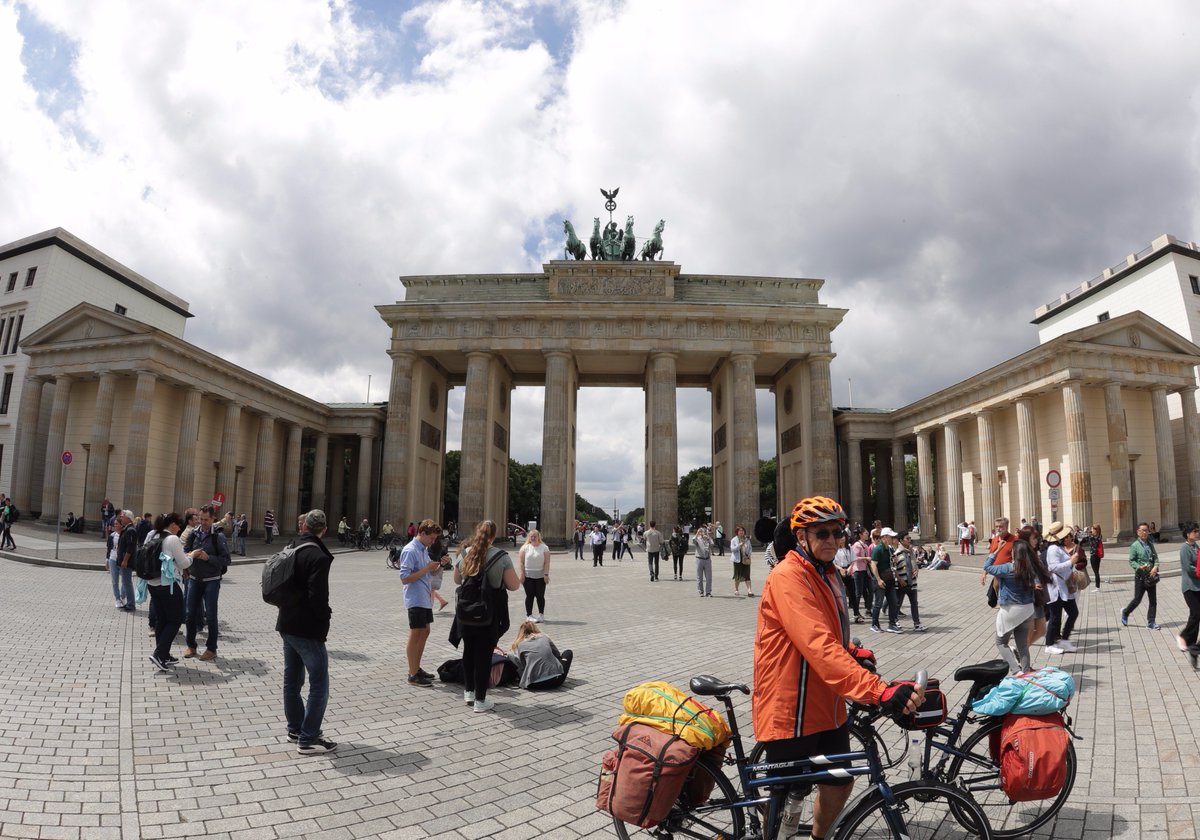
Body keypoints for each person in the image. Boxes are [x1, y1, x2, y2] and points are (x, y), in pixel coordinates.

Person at [753, 496, 924, 840]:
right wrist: (878, 691)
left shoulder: (827, 573)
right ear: (801, 537)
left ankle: (818, 837)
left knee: (840, 780)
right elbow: (816, 643)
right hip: (792, 707)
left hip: (826, 703)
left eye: (838, 532)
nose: (832, 539)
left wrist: (852, 651)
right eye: (822, 533)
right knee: (785, 793)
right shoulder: (788, 576)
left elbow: (827, 635)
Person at [274, 509, 336, 754]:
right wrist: (325, 618)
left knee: (292, 680)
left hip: (286, 621)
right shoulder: (317, 555)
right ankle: (308, 738)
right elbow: (317, 597)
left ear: (304, 527)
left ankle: (295, 728)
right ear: (324, 529)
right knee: (319, 683)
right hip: (307, 627)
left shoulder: (291, 547)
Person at [452, 520, 521, 713]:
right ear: (494, 535)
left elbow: (457, 580)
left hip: (466, 613)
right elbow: (514, 585)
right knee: (483, 655)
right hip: (489, 614)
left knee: (468, 651)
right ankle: (480, 700)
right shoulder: (501, 557)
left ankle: (469, 691)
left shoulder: (465, 553)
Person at [985, 524, 1049, 674]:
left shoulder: (1008, 568)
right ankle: (1026, 671)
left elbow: (987, 567)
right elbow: (1038, 583)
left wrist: (998, 549)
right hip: (1027, 609)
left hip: (1011, 609)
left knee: (1001, 642)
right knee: (1022, 645)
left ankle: (1016, 671)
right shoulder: (1029, 567)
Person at [183, 504, 231, 661]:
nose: (202, 523)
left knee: (210, 616)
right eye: (200, 519)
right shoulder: (193, 534)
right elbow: (185, 553)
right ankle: (191, 646)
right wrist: (191, 554)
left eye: (206, 520)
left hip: (211, 581)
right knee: (190, 614)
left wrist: (208, 557)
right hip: (194, 579)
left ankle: (211, 649)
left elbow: (226, 560)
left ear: (213, 519)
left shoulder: (218, 536)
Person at [146, 512, 193, 672]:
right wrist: (192, 556)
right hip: (168, 585)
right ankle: (159, 654)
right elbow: (184, 563)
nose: (179, 528)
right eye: (178, 524)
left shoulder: (152, 535)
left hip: (152, 583)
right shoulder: (172, 539)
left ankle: (164, 655)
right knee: (175, 620)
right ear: (172, 524)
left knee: (162, 619)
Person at [398, 519, 442, 686]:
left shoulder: (423, 549)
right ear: (422, 533)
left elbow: (426, 575)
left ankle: (416, 668)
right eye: (431, 538)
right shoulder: (410, 550)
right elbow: (404, 578)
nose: (433, 542)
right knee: (416, 633)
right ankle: (412, 673)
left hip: (424, 597)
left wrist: (437, 567)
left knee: (425, 631)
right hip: (415, 597)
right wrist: (426, 568)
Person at [1043, 522, 1080, 655]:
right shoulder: (1053, 549)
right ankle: (1049, 644)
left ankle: (1064, 640)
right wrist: (1071, 562)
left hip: (1063, 587)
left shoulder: (1058, 547)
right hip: (1056, 588)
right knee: (1055, 617)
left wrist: (1071, 568)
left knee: (1073, 612)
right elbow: (1053, 567)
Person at [507, 620, 573, 690]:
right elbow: (557, 654)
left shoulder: (520, 644)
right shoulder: (544, 637)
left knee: (511, 657)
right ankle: (554, 671)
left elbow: (522, 665)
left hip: (533, 684)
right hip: (555, 681)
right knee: (568, 652)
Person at [1121, 522, 1162, 629]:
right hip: (1140, 577)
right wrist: (1139, 567)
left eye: (1146, 530)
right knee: (1137, 600)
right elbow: (1132, 560)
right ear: (1138, 532)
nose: (1144, 532)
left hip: (1151, 576)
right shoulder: (1135, 545)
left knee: (1153, 601)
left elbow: (1156, 558)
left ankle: (1151, 622)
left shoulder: (1150, 543)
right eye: (1142, 530)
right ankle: (1125, 612)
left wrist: (1155, 567)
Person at [892, 531, 925, 631]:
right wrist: (899, 579)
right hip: (902, 583)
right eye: (907, 538)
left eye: (910, 538)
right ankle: (894, 621)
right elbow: (893, 569)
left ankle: (917, 623)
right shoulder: (896, 554)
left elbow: (915, 564)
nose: (909, 540)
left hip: (912, 583)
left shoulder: (911, 552)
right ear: (901, 540)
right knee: (898, 603)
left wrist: (916, 570)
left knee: (914, 603)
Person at [1178, 523, 1200, 670]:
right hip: (1189, 587)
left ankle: (1192, 645)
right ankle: (1185, 636)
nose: (1196, 533)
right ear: (1187, 534)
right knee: (1197, 614)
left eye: (1197, 531)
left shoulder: (1196, 546)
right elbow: (1189, 567)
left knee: (1195, 615)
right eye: (1194, 531)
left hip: (1198, 586)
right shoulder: (1185, 548)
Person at [516, 529, 550, 623]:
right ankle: (529, 615)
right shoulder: (525, 548)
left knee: (540, 595)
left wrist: (546, 574)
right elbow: (521, 562)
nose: (533, 538)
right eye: (531, 536)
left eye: (535, 536)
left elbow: (547, 562)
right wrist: (522, 574)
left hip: (540, 576)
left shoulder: (544, 547)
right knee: (529, 596)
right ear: (529, 537)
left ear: (539, 537)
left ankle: (541, 615)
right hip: (528, 576)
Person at [870, 528, 900, 633]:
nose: (893, 539)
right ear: (885, 537)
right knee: (878, 603)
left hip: (889, 579)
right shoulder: (878, 549)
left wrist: (894, 560)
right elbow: (873, 565)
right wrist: (878, 579)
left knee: (894, 602)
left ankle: (892, 624)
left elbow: (892, 563)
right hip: (881, 579)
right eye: (891, 537)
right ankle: (874, 624)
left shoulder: (890, 549)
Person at [106, 512, 135, 611]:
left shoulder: (130, 530)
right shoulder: (126, 530)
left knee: (126, 583)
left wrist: (125, 560)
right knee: (123, 582)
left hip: (125, 561)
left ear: (128, 518)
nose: (121, 519)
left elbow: (130, 547)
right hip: (117, 559)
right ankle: (124, 601)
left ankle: (130, 603)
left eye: (123, 517)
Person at [833, 530, 858, 622]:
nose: (842, 539)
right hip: (838, 571)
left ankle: (856, 614)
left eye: (843, 537)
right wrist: (840, 569)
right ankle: (840, 615)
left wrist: (849, 569)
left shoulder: (849, 548)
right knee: (839, 594)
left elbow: (853, 560)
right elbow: (832, 562)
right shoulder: (834, 549)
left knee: (852, 593)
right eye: (840, 537)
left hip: (848, 570)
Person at [849, 527, 872, 623]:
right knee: (858, 593)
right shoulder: (857, 545)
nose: (867, 534)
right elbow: (854, 557)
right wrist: (866, 558)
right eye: (866, 533)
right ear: (860, 534)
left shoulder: (865, 545)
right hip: (858, 570)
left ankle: (868, 609)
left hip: (865, 570)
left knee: (870, 590)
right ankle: (856, 612)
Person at [729, 525, 754, 597]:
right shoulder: (734, 540)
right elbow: (732, 549)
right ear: (737, 532)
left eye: (742, 531)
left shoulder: (747, 539)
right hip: (737, 560)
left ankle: (749, 591)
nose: (741, 532)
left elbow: (750, 548)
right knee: (737, 575)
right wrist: (739, 545)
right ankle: (736, 589)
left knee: (747, 575)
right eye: (740, 531)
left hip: (746, 559)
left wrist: (749, 554)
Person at [1079, 523, 1104, 590]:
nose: (1091, 530)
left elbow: (1080, 538)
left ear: (1095, 530)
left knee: (1096, 572)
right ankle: (1097, 587)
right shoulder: (1099, 536)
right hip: (1098, 556)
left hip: (1094, 556)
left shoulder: (1092, 537)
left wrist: (1084, 531)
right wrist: (1089, 531)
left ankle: (1097, 587)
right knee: (1097, 571)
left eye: (1092, 529)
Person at [693, 526, 713, 596]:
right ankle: (701, 591)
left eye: (704, 531)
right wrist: (697, 533)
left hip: (707, 560)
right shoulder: (698, 539)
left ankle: (708, 592)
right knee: (699, 577)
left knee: (709, 577)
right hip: (699, 559)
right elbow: (693, 540)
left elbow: (712, 543)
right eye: (701, 531)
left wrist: (708, 537)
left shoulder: (707, 539)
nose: (702, 533)